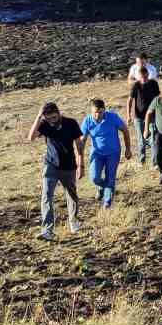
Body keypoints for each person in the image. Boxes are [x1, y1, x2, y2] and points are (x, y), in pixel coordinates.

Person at [27, 102, 84, 241]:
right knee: (46, 196)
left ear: (58, 113)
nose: (52, 119)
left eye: (53, 116)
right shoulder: (44, 125)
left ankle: (73, 222)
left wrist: (81, 163)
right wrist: (38, 117)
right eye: (48, 117)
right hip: (50, 164)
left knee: (71, 194)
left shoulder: (71, 123)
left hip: (68, 165)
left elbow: (78, 143)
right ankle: (47, 229)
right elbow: (31, 137)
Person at [80, 99, 132, 208]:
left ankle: (107, 202)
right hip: (97, 154)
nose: (97, 115)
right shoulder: (88, 121)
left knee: (110, 177)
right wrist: (79, 160)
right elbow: (82, 141)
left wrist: (128, 149)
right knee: (94, 177)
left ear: (104, 110)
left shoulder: (113, 117)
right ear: (91, 111)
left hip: (113, 153)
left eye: (100, 112)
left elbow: (125, 130)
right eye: (95, 112)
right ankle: (102, 187)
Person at [127, 61, 161, 165]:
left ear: (148, 75)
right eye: (142, 77)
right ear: (138, 77)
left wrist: (160, 112)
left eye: (145, 77)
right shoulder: (136, 85)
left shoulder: (153, 84)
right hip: (139, 117)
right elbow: (130, 100)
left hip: (152, 115)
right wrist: (128, 115)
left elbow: (158, 99)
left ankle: (155, 162)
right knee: (141, 140)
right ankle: (142, 160)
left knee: (154, 138)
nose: (144, 79)